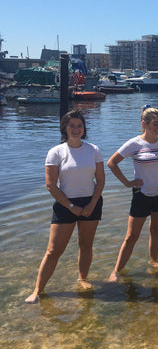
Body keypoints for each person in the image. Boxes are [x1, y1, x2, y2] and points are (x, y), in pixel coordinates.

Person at [25, 110, 105, 303]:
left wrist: (92, 204)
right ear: (65, 128)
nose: (76, 129)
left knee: (86, 245)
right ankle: (37, 290)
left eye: (79, 125)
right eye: (72, 126)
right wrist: (71, 206)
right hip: (64, 203)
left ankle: (83, 278)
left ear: (84, 128)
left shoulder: (93, 149)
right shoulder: (56, 152)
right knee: (53, 250)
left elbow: (100, 180)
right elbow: (51, 185)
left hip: (91, 201)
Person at [107, 106, 158, 282]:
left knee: (156, 230)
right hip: (142, 194)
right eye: (155, 124)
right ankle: (116, 271)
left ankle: (154, 261)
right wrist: (127, 183)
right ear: (144, 124)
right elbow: (111, 163)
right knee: (131, 236)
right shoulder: (134, 144)